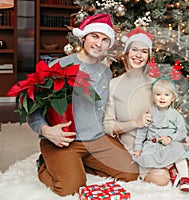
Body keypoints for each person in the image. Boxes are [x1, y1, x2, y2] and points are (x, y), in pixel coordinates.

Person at [27, 14, 139, 196]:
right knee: (70, 188)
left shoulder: (106, 72)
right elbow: (33, 111)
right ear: (83, 37)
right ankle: (45, 164)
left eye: (105, 40)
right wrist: (46, 131)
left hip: (96, 139)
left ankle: (79, 163)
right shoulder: (58, 66)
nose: (99, 43)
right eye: (94, 36)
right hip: (63, 140)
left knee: (131, 172)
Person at [103, 28, 189, 187]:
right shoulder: (113, 85)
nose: (139, 55)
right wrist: (135, 122)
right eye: (134, 50)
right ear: (126, 53)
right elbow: (107, 126)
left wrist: (179, 137)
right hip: (138, 148)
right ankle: (172, 170)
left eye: (144, 51)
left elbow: (171, 114)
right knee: (161, 179)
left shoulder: (155, 82)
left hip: (165, 143)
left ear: (148, 56)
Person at [133, 77, 189, 192]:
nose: (162, 98)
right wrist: (138, 147)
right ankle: (171, 170)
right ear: (153, 97)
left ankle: (184, 177)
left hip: (170, 144)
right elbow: (142, 130)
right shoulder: (150, 112)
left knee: (178, 151)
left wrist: (170, 138)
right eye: (158, 94)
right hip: (153, 144)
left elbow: (182, 132)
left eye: (166, 95)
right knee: (148, 158)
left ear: (173, 98)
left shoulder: (175, 115)